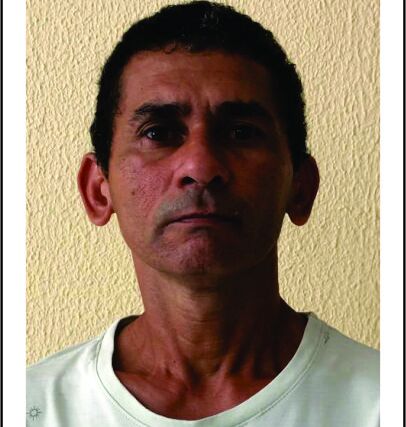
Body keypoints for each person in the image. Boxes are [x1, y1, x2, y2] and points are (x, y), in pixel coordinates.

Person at [26, 2, 379, 426]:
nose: (201, 166)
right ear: (98, 190)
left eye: (241, 133)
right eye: (158, 133)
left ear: (300, 188)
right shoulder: (31, 407)